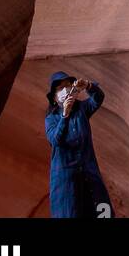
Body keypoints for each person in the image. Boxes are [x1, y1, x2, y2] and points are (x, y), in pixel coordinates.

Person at [45, 71, 113, 218]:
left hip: (88, 172)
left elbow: (98, 98)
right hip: (67, 179)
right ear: (55, 99)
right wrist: (65, 116)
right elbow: (55, 140)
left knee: (103, 211)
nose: (65, 90)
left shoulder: (82, 109)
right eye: (60, 88)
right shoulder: (51, 119)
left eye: (68, 85)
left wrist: (88, 86)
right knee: (70, 212)